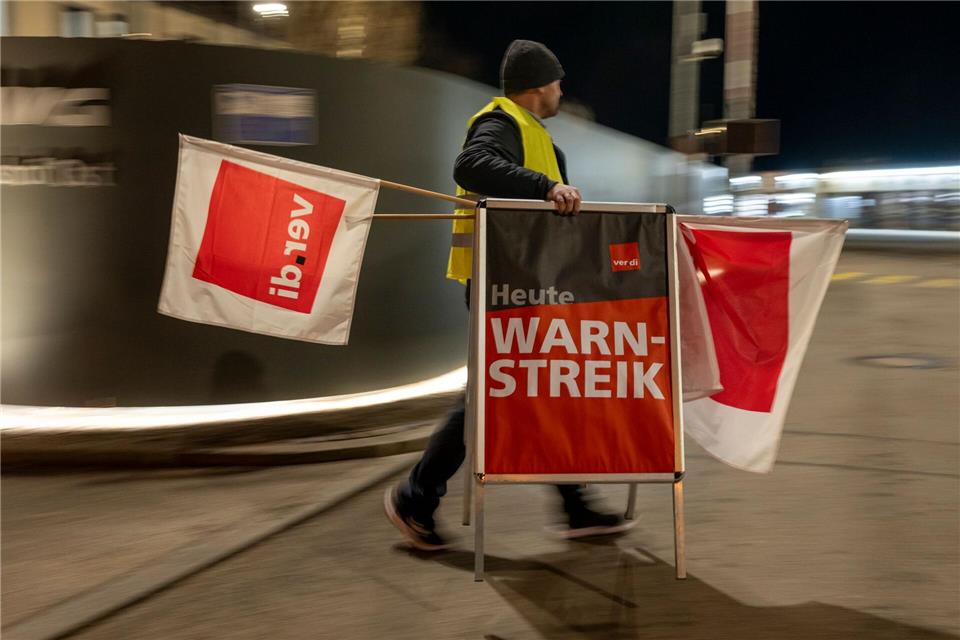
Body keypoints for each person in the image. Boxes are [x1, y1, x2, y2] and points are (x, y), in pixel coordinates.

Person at [385, 39, 634, 551]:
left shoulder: (539, 138)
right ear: (541, 84)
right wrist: (547, 187)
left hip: (531, 285)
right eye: (558, 81)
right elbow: (470, 165)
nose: (562, 90)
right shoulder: (500, 122)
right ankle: (415, 497)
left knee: (543, 389)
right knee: (490, 397)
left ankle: (573, 507)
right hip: (502, 285)